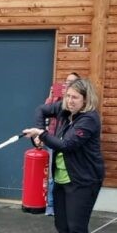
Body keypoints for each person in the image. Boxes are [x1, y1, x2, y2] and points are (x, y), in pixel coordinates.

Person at [23, 78, 104, 233]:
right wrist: (41, 131)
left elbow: (67, 145)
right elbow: (42, 109)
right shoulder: (64, 108)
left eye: (75, 97)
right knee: (63, 227)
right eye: (68, 96)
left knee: (77, 229)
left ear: (86, 99)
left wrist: (42, 135)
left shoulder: (89, 119)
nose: (70, 101)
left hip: (83, 181)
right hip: (61, 178)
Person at [44, 72, 80, 216]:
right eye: (67, 81)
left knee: (67, 173)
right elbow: (46, 110)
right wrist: (53, 95)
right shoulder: (58, 98)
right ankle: (51, 206)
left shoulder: (78, 100)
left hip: (68, 140)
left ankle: (66, 206)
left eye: (72, 82)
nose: (68, 84)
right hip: (53, 138)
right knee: (53, 174)